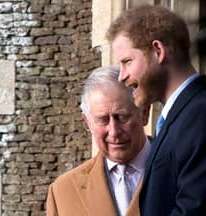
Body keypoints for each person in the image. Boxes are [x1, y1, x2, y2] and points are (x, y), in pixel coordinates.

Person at [106, 5, 206, 216]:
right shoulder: (180, 116)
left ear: (158, 51)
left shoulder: (204, 115)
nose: (121, 76)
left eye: (127, 62)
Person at [46, 66, 151, 216]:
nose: (114, 131)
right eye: (103, 120)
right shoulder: (63, 192)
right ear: (87, 122)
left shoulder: (183, 173)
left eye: (122, 117)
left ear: (144, 113)